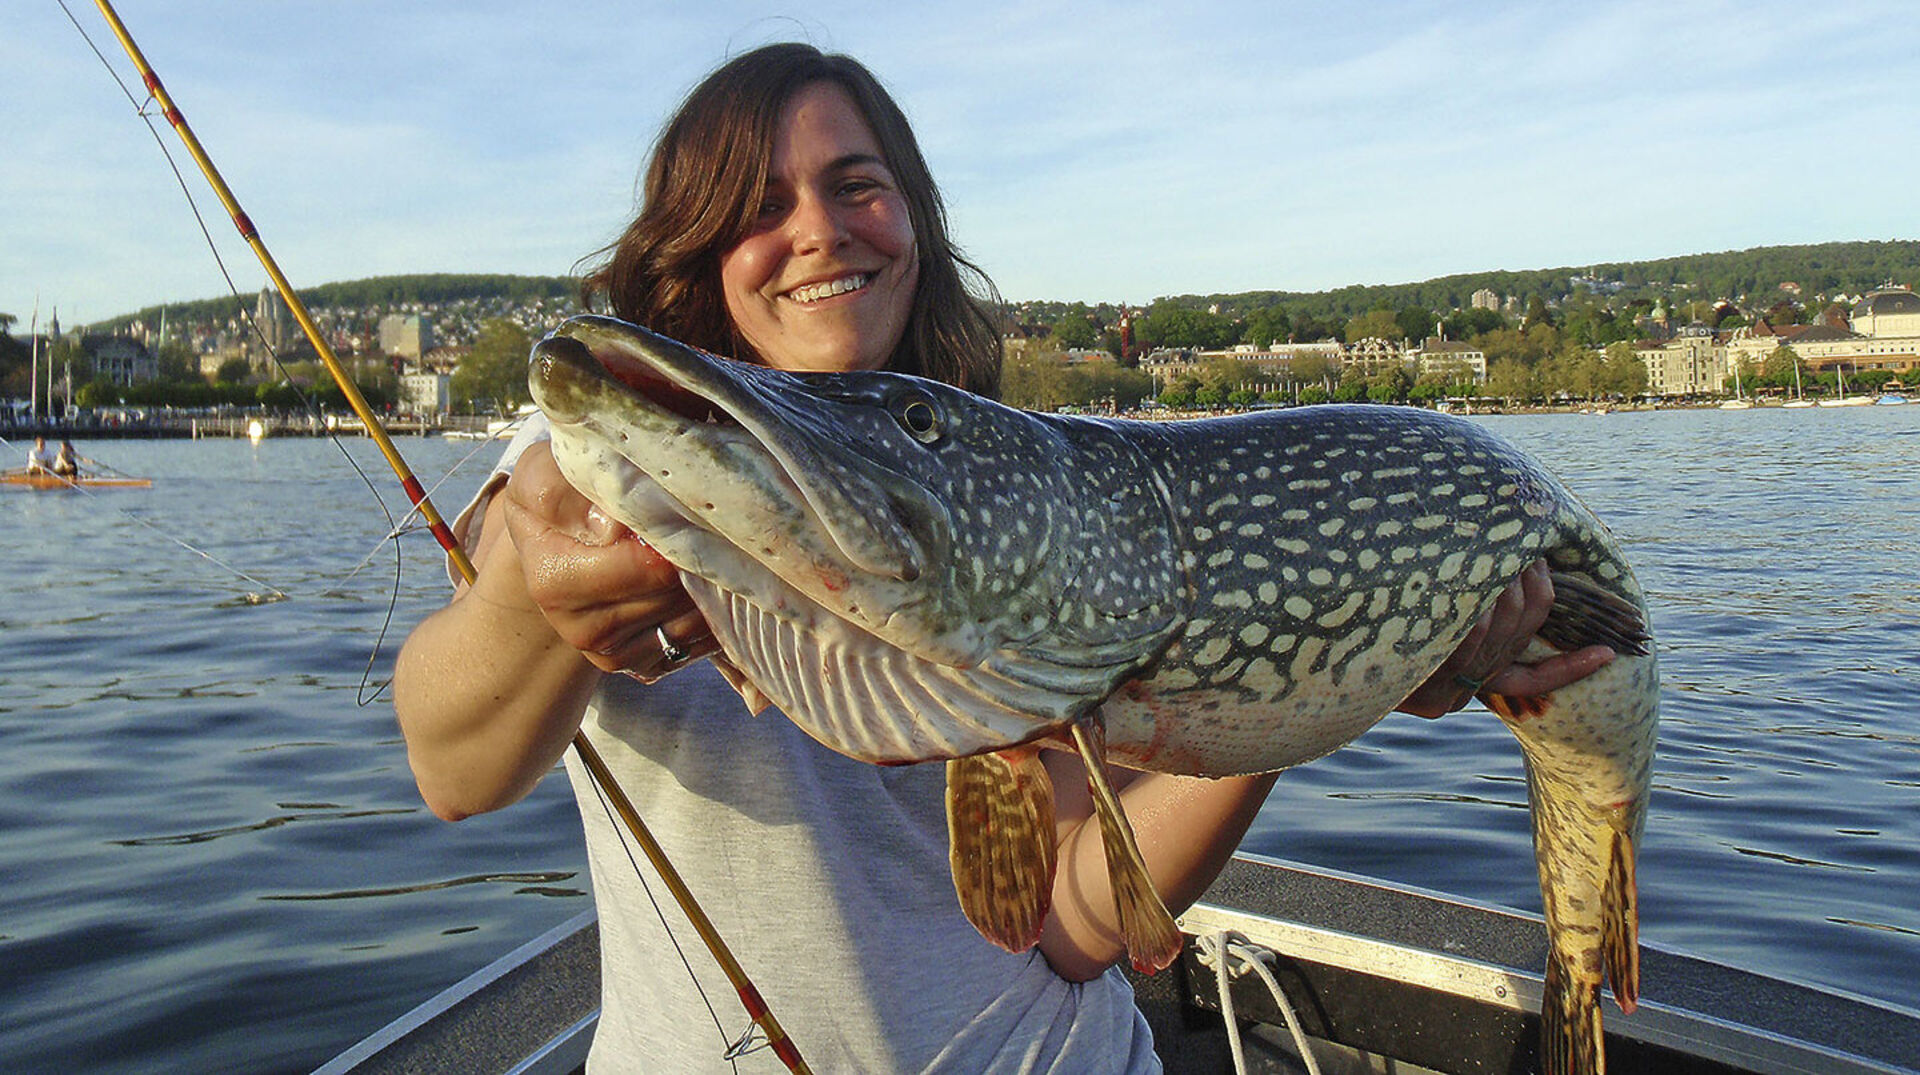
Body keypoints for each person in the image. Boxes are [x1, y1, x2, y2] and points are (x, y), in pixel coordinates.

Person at [394, 43, 1614, 1072]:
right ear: (702, 248)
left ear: (914, 220)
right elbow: (454, 764)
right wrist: (526, 602)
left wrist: (1305, 696)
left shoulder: (1013, 495)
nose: (818, 229)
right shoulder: (609, 455)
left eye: (857, 186)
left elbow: (1072, 921)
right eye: (761, 206)